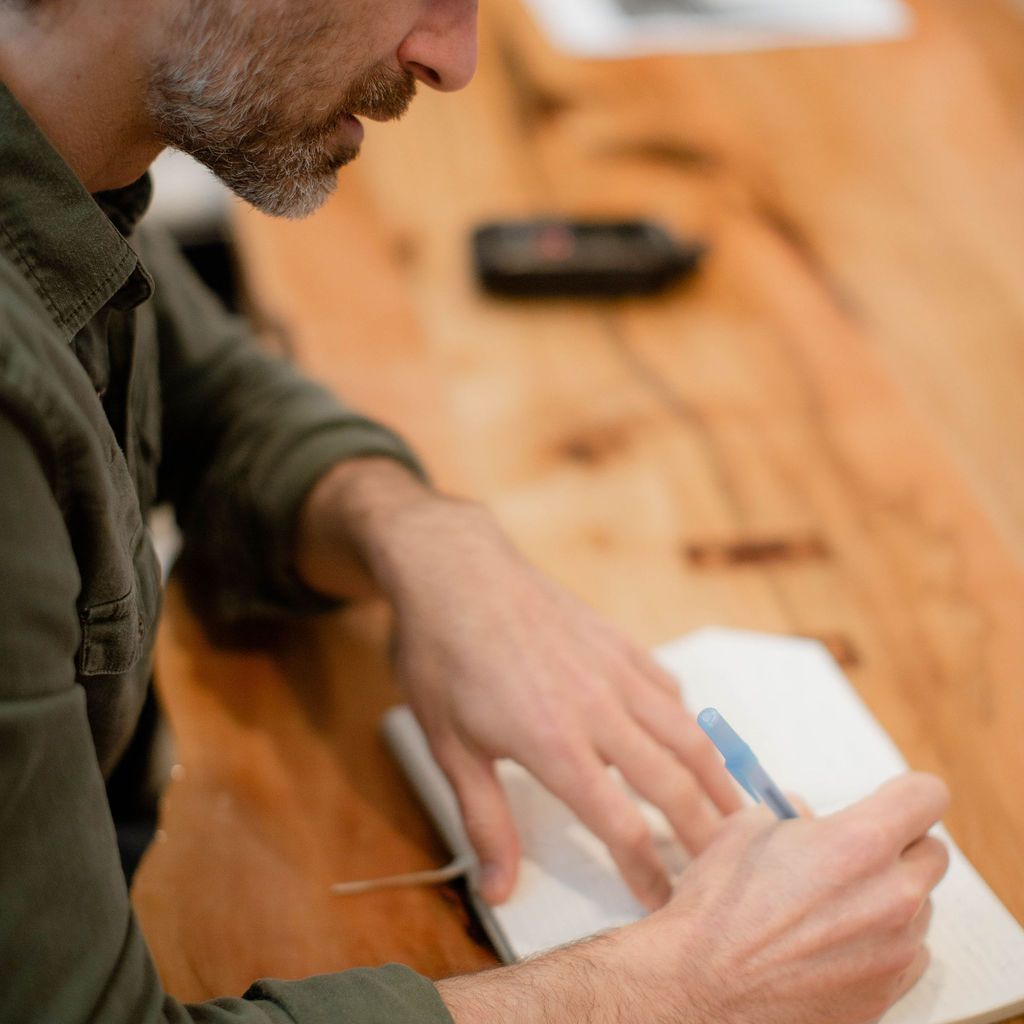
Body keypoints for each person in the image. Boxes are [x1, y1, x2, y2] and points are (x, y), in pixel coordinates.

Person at [0, 1, 950, 1022]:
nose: (453, 61)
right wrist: (680, 987)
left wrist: (417, 536)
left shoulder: (71, 152)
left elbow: (208, 390)